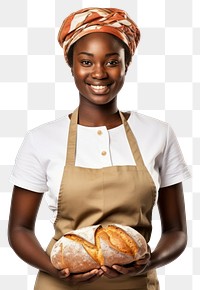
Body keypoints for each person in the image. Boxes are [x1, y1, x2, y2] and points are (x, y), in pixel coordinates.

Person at [8, 7, 191, 290]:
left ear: (126, 65)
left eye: (111, 61)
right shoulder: (41, 139)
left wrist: (149, 262)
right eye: (86, 61)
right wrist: (54, 270)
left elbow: (177, 231)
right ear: (72, 66)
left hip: (136, 285)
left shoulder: (159, 134)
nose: (99, 73)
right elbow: (19, 229)